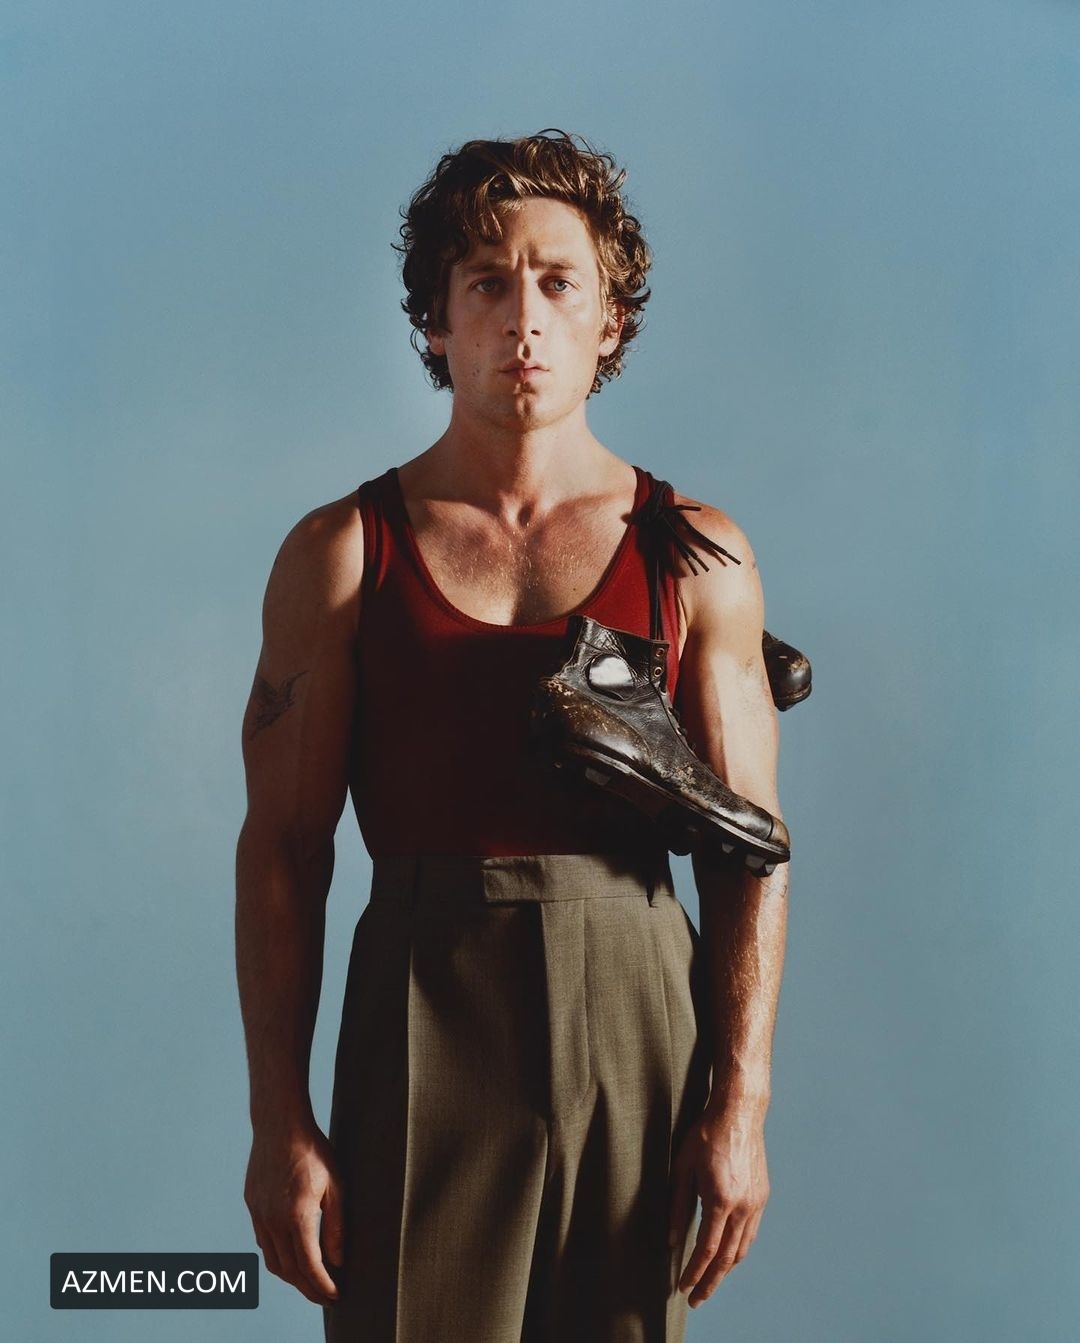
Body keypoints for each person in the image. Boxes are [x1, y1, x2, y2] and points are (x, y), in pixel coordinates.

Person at [235, 129, 789, 1342]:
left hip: (637, 987)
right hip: (424, 988)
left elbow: (751, 847)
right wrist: (279, 1119)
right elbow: (283, 846)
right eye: (487, 282)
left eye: (556, 282)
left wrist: (740, 1099)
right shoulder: (343, 552)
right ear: (436, 321)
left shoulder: (697, 554)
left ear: (609, 320)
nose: (523, 318)